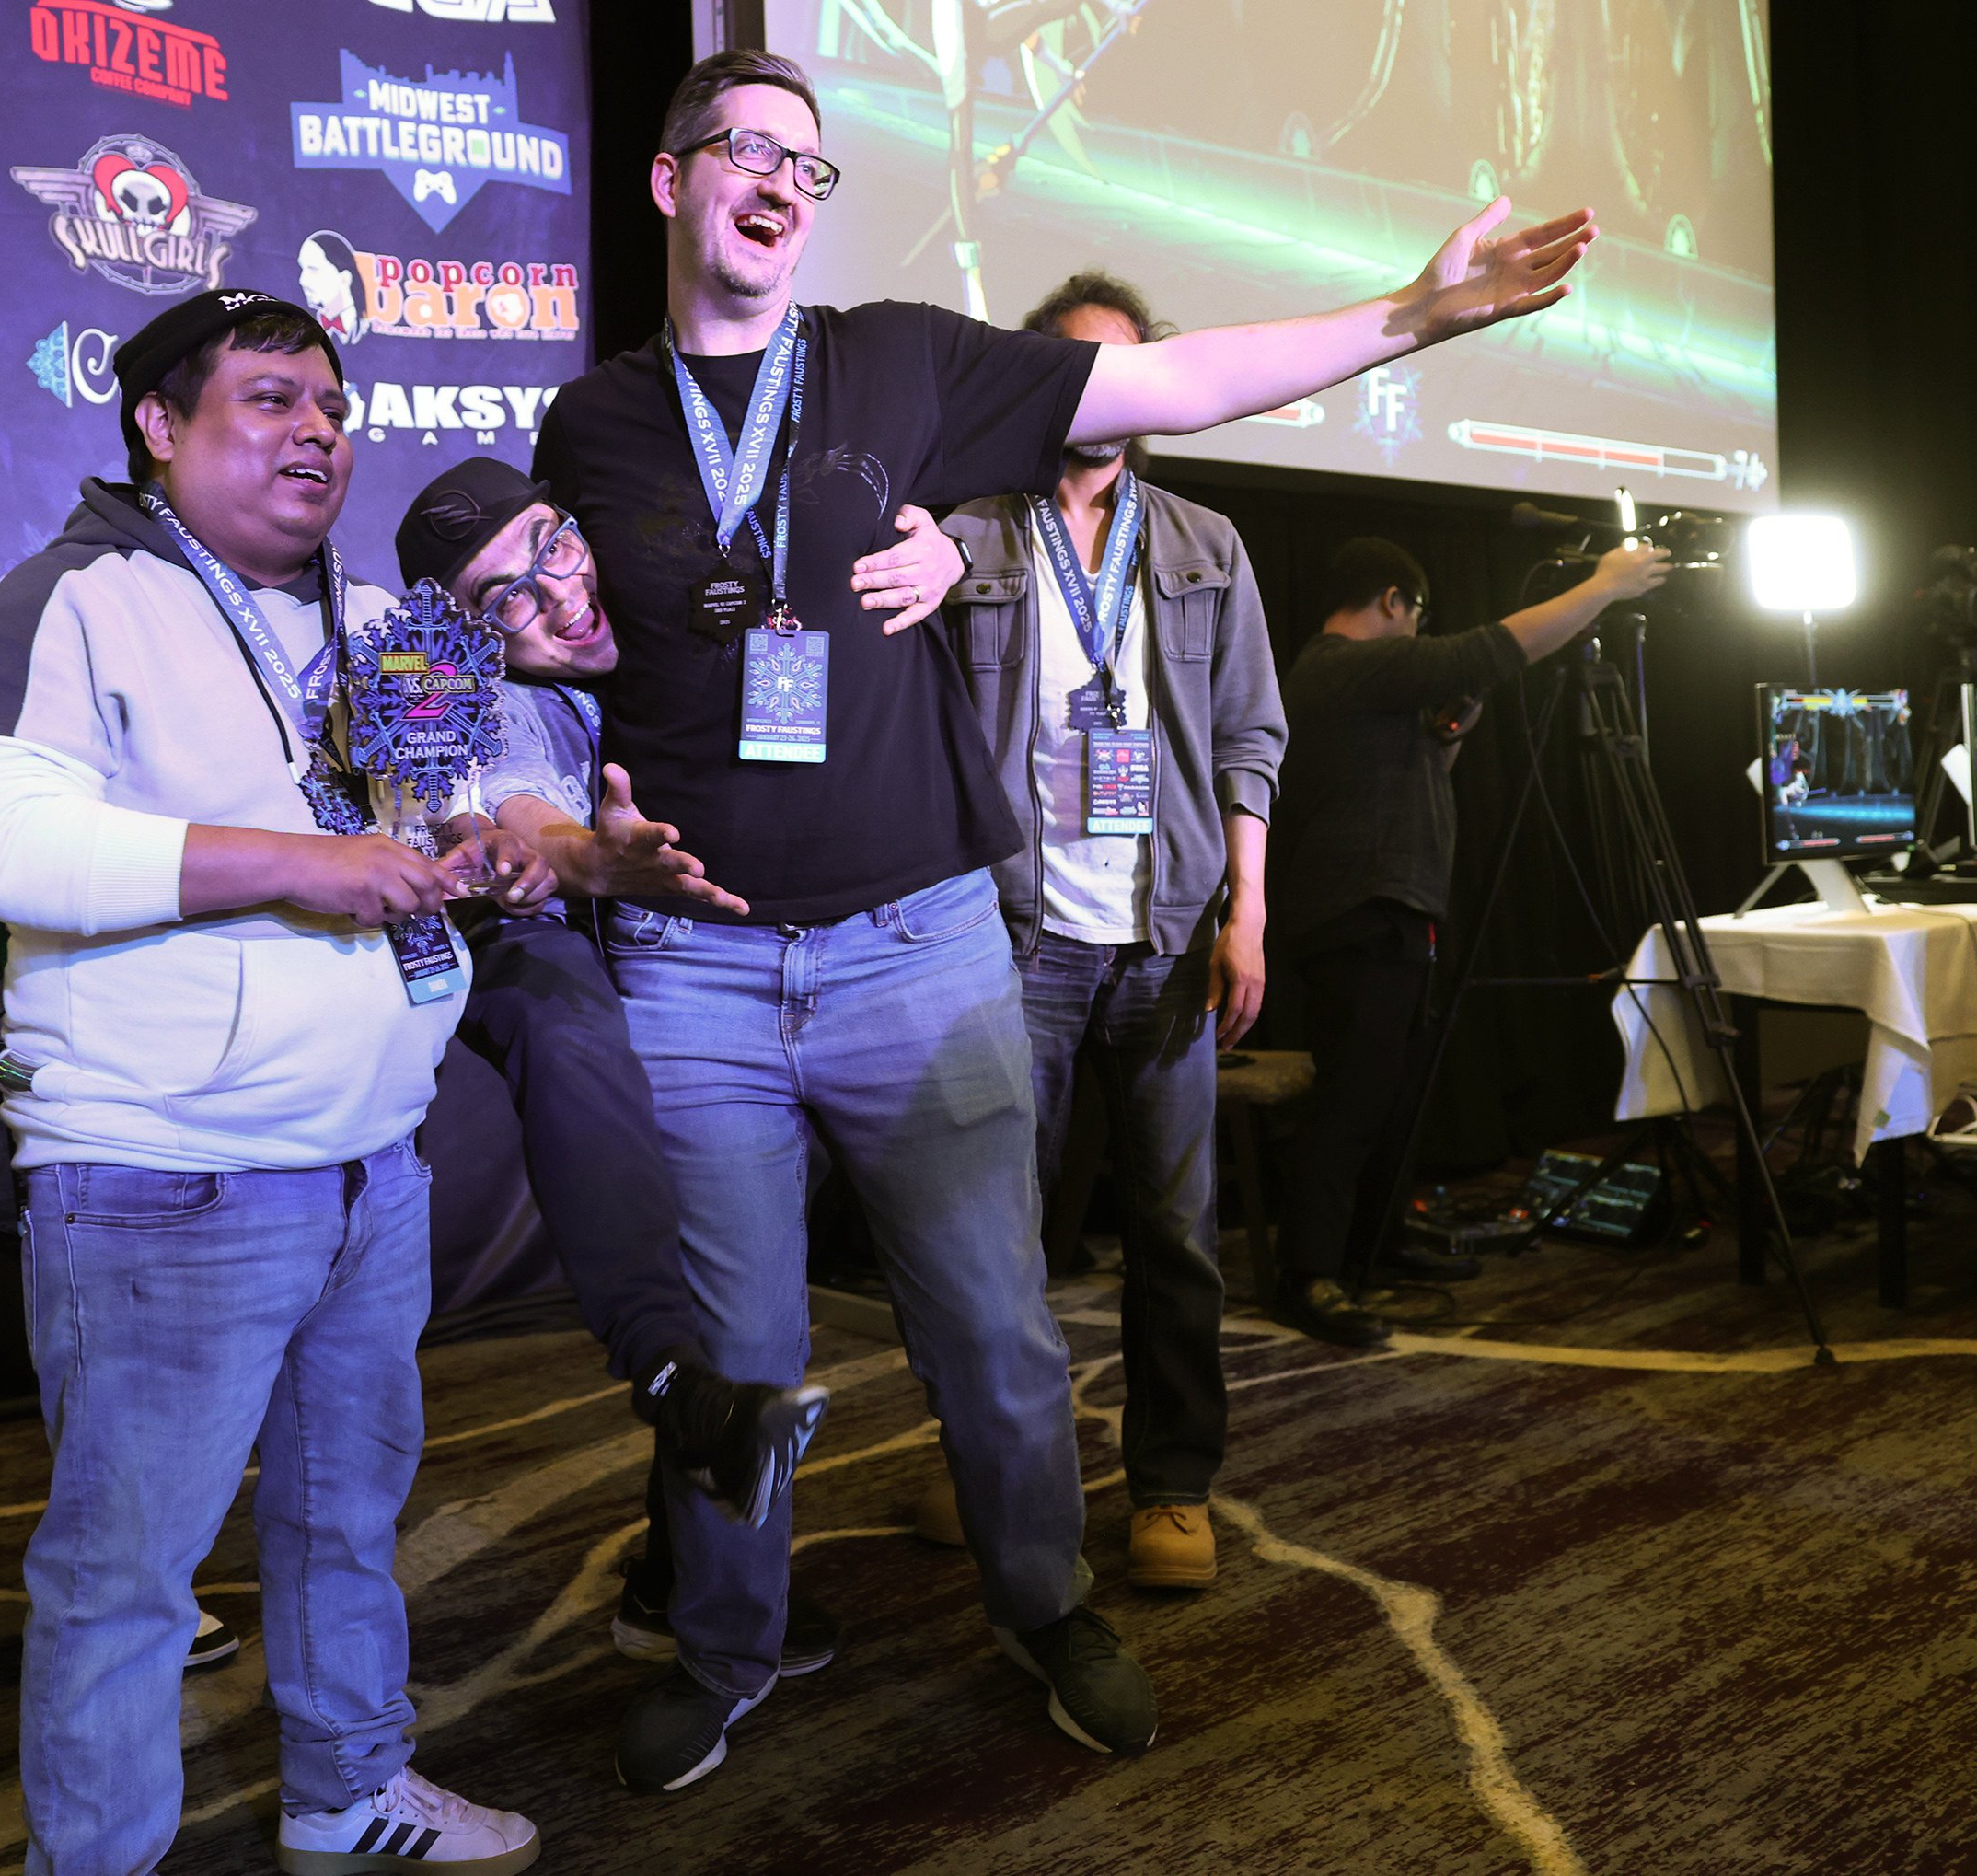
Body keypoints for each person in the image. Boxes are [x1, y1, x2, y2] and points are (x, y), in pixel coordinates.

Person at [533, 46, 1595, 1787]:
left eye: (810, 157)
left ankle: (1043, 1597)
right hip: (698, 965)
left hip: (917, 946)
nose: (781, 176)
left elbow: (1176, 373)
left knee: (999, 1327)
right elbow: (559, 644)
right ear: (669, 183)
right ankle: (727, 1637)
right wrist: (580, 798)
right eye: (740, 146)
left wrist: (1410, 316)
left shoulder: (896, 359)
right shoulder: (592, 425)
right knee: (733, 1354)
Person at [0, 290, 542, 1876]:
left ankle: (347, 1786)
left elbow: (418, 826)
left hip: (366, 1165)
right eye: (268, 399)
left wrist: (511, 848)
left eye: (331, 403)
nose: (316, 429)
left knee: (345, 1525)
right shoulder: (74, 599)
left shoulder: (374, 617)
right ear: (159, 428)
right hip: (165, 1173)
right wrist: (290, 863)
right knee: (126, 1578)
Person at [391, 456, 966, 1659]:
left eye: (552, 546)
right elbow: (517, 825)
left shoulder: (665, 608)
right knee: (559, 1010)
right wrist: (593, 858)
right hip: (539, 964)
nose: (554, 596)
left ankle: (680, 1566)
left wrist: (944, 546)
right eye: (505, 598)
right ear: (466, 632)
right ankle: (670, 1392)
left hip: (752, 986)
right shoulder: (488, 698)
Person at [936, 270, 1284, 1592]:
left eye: (1130, 369)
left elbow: (1253, 735)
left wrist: (1248, 909)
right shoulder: (964, 535)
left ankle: (1173, 1483)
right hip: (1009, 933)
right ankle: (992, 1464)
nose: (1108, 394)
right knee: (993, 1236)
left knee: (1175, 1232)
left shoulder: (1203, 543)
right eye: (1079, 370)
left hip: (1168, 932)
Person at [1267, 533, 1670, 1346]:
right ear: (1393, 603)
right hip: (1360, 914)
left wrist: (1446, 738)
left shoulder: (1364, 687)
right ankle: (1308, 1276)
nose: (1418, 635)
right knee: (1351, 1102)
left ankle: (1373, 1245)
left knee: (1391, 1096)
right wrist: (1606, 584)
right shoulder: (1342, 664)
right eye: (1416, 619)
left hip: (1393, 910)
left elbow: (1416, 777)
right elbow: (1495, 647)